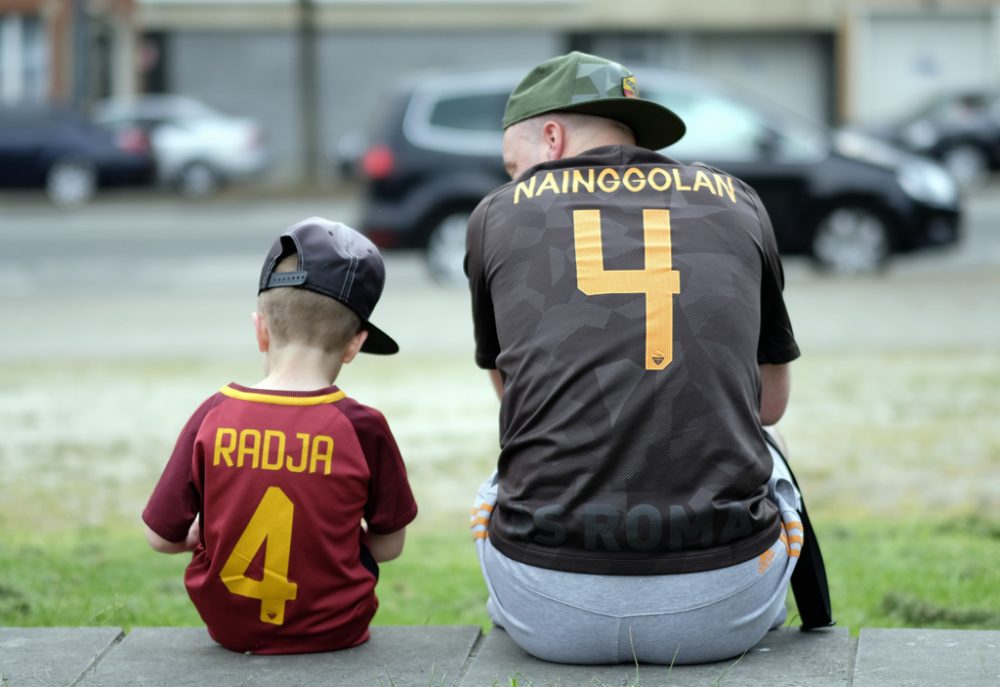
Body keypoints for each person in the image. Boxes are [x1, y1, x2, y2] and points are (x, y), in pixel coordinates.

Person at [465, 52, 815, 665]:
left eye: (512, 166)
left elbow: (518, 399)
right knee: (770, 443)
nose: (512, 179)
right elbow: (771, 403)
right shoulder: (736, 199)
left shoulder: (497, 214)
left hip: (547, 609)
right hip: (725, 607)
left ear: (551, 137)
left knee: (499, 474)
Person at [142, 217, 417, 654]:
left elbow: (160, 537)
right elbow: (389, 547)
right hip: (335, 634)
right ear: (354, 345)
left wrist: (199, 534)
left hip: (229, 631)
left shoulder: (214, 413)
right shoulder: (363, 426)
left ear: (261, 330)